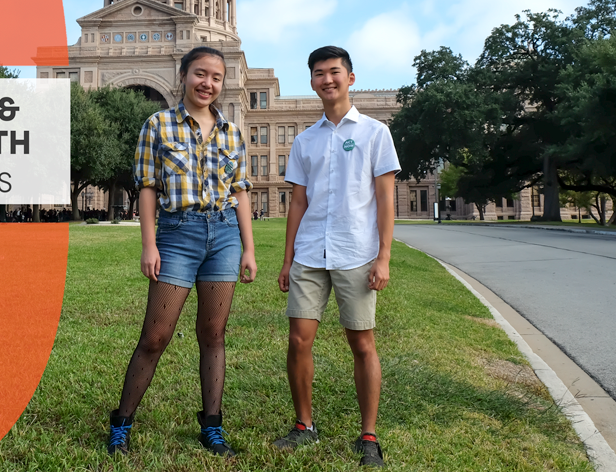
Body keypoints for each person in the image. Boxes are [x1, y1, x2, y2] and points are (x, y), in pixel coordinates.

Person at [107, 46, 257, 457]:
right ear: (183, 76)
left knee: (213, 335)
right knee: (155, 336)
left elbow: (240, 192)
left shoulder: (231, 133)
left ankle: (212, 426)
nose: (208, 83)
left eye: (216, 77)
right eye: (200, 74)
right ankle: (121, 421)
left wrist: (248, 248)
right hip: (178, 235)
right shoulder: (157, 125)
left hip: (223, 235)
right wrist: (149, 244)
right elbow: (148, 188)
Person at [273, 46, 400, 468]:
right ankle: (304, 425)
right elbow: (297, 202)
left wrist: (383, 257)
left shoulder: (375, 133)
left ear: (350, 77)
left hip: (356, 252)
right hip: (310, 251)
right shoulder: (305, 140)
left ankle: (368, 435)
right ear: (312, 82)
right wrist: (288, 259)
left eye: (334, 72)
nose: (327, 80)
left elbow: (385, 199)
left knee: (361, 343)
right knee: (298, 341)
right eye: (319, 74)